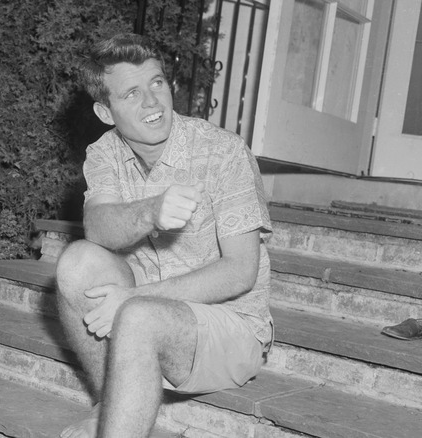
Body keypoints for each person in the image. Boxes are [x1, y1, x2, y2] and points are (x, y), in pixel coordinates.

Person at [56, 33, 273, 438]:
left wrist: (135, 298)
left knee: (138, 316)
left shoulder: (223, 152)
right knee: (77, 262)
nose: (152, 102)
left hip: (231, 327)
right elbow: (98, 226)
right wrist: (152, 210)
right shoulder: (104, 152)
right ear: (106, 112)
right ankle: (115, 405)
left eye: (157, 83)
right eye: (132, 93)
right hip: (150, 306)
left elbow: (241, 272)